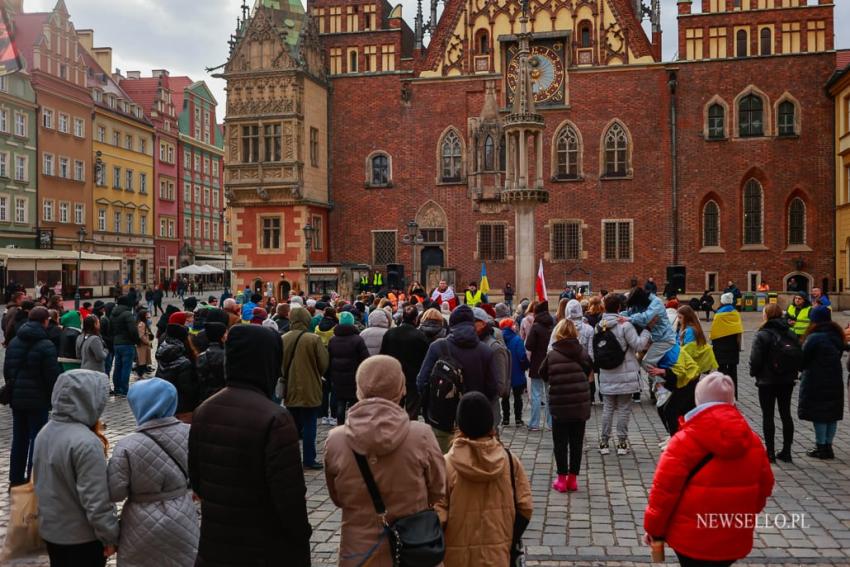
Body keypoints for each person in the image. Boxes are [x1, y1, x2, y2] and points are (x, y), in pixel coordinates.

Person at [190, 324, 312, 567]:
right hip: (264, 547)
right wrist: (301, 534)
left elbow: (197, 480)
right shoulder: (275, 418)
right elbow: (289, 496)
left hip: (216, 544)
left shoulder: (205, 410)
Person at [325, 355, 445, 567]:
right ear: (401, 388)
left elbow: (337, 497)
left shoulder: (336, 439)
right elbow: (437, 489)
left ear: (359, 388)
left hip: (358, 552)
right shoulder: (421, 435)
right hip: (413, 547)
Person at [643, 373, 774, 567]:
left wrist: (654, 530)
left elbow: (664, 493)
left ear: (699, 400)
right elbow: (765, 487)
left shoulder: (684, 441)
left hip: (691, 538)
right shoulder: (752, 441)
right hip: (733, 537)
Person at [107, 378, 199, 566]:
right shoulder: (192, 434)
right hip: (182, 514)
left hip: (139, 522)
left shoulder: (127, 446)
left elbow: (115, 493)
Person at [33, 369, 120, 567]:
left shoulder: (45, 432)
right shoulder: (86, 442)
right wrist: (110, 536)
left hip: (53, 532)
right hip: (81, 538)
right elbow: (96, 499)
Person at [436, 391, 533, 566]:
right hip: (498, 557)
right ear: (490, 422)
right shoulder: (510, 461)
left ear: (459, 424)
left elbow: (438, 516)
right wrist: (507, 537)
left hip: (457, 558)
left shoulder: (446, 465)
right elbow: (525, 507)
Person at [417, 305, 498, 451]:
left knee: (443, 468)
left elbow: (421, 381)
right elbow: (493, 389)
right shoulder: (486, 351)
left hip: (442, 420)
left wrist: (429, 409)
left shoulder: (437, 347)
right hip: (474, 422)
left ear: (452, 324)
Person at [4, 307, 61, 486]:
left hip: (17, 398)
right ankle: (33, 478)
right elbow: (52, 376)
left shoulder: (14, 342)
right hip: (38, 400)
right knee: (37, 438)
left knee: (19, 437)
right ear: (45, 321)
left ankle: (15, 477)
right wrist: (53, 397)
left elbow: (7, 370)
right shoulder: (46, 345)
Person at [539, 319, 593, 492]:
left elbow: (543, 374)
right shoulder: (583, 352)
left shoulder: (552, 355)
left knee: (560, 443)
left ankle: (561, 479)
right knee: (577, 443)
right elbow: (588, 370)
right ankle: (573, 479)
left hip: (560, 405)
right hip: (579, 405)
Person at [596, 294, 651, 456]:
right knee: (623, 409)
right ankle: (621, 443)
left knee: (607, 409)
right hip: (626, 374)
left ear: (605, 307)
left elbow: (594, 352)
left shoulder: (599, 326)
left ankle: (604, 442)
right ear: (619, 308)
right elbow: (639, 345)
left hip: (607, 373)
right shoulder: (625, 326)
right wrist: (647, 331)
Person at [749, 303, 800, 463]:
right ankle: (787, 451)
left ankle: (770, 452)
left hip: (767, 380)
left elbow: (755, 359)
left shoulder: (762, 334)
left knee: (768, 415)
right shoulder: (790, 333)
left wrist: (754, 372)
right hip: (787, 379)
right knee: (786, 414)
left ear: (767, 315)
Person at [281, 307, 329, 470]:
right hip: (310, 387)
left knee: (292, 426)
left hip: (291, 387)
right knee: (310, 425)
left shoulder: (284, 338)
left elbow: (280, 365)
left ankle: (290, 458)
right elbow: (323, 364)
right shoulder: (313, 339)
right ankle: (309, 459)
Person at [798, 306, 845, 459]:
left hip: (816, 379)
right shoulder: (836, 335)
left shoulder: (814, 337)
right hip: (835, 378)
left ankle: (821, 446)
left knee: (819, 414)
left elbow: (802, 359)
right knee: (832, 414)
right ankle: (828, 446)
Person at [380, 305, 430, 419]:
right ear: (416, 318)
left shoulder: (390, 333)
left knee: (394, 411)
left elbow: (382, 356)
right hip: (413, 378)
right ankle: (409, 432)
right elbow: (425, 359)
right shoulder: (420, 336)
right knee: (412, 413)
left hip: (394, 376)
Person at [327, 311, 369, 425]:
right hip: (354, 375)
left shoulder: (333, 339)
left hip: (337, 376)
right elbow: (365, 358)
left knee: (340, 401)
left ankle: (340, 424)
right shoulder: (357, 339)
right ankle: (354, 423)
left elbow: (328, 358)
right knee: (354, 401)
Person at [155, 312, 199, 417]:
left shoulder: (165, 341)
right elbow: (186, 386)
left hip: (166, 397)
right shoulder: (183, 360)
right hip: (182, 403)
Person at [472, 307, 509, 426]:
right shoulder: (472, 344)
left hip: (488, 409)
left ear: (482, 323)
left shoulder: (494, 348)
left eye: (473, 322)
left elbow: (500, 386)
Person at [525, 301, 554, 431]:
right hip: (550, 363)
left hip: (537, 363)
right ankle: (551, 423)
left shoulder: (536, 327)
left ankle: (534, 423)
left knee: (536, 394)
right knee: (549, 395)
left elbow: (529, 345)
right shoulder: (552, 326)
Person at [709, 293, 744, 399]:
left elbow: (714, 332)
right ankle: (734, 395)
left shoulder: (719, 315)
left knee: (722, 372)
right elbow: (739, 330)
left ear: (722, 301)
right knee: (733, 372)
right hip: (733, 347)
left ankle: (722, 396)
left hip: (721, 347)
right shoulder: (736, 313)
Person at [499, 318, 529, 427]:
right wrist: (525, 366)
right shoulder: (517, 340)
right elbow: (522, 356)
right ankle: (518, 419)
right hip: (516, 372)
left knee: (505, 398)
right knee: (518, 397)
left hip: (503, 373)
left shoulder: (499, 339)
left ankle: (505, 419)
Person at [111, 295, 140, 396]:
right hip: (127, 344)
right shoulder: (127, 314)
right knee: (126, 368)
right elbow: (133, 330)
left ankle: (117, 388)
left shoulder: (113, 313)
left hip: (116, 343)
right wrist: (137, 340)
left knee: (117, 367)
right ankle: (124, 390)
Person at [197, 322, 227, 403]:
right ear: (221, 336)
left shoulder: (201, 356)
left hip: (206, 397)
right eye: (225, 333)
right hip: (224, 396)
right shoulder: (227, 355)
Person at [135, 308, 154, 378]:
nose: (147, 316)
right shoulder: (141, 324)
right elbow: (141, 335)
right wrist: (147, 342)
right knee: (141, 361)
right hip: (142, 346)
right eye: (146, 314)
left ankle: (141, 374)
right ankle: (140, 375)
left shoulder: (143, 323)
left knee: (144, 360)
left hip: (144, 345)